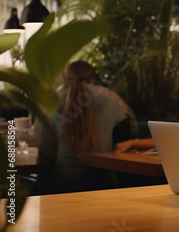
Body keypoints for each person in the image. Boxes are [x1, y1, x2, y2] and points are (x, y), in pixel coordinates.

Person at [34, 60, 137, 193]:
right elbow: (124, 141)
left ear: (64, 79)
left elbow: (44, 147)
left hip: (61, 184)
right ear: (93, 78)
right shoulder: (112, 99)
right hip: (102, 184)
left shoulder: (51, 101)